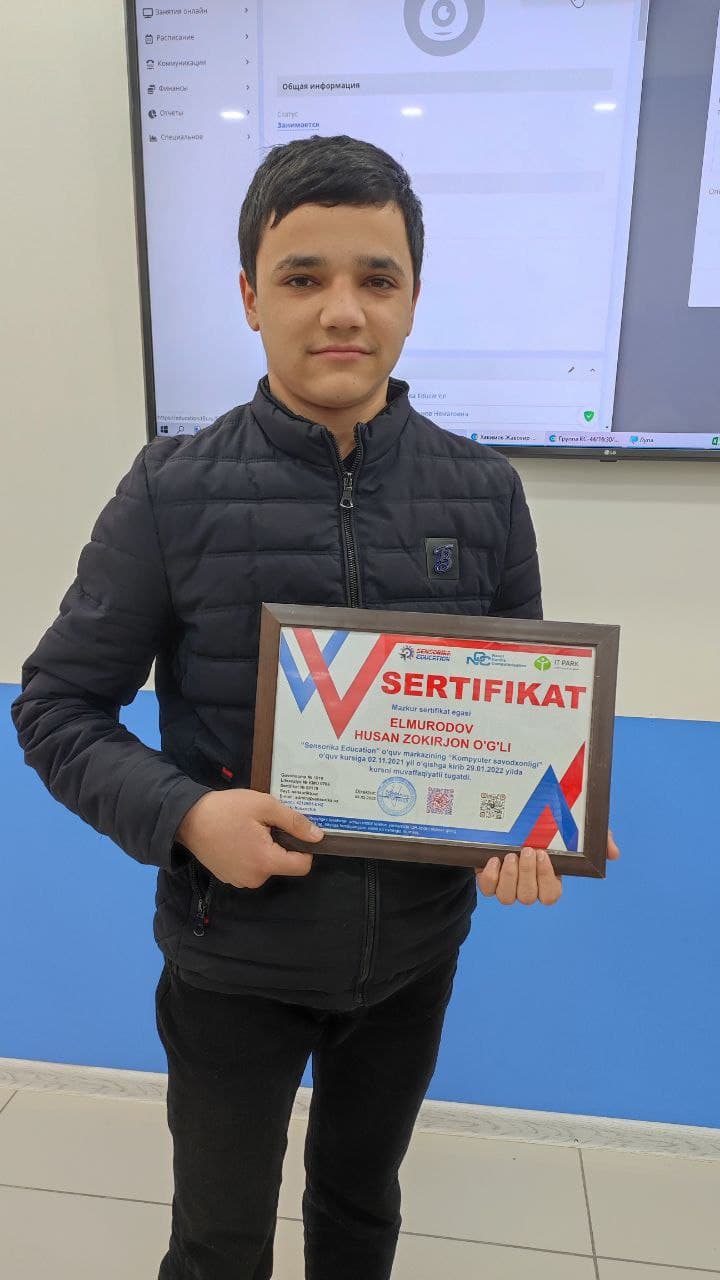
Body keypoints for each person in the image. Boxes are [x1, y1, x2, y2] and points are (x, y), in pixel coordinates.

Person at [11, 134, 619, 1280]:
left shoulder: (485, 493)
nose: (343, 309)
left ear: (413, 296)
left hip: (414, 960)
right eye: (303, 276)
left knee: (360, 1210)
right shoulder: (170, 491)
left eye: (376, 277)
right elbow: (57, 706)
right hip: (230, 960)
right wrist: (191, 816)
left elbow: (519, 728)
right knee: (219, 1239)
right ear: (251, 296)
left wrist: (533, 826)